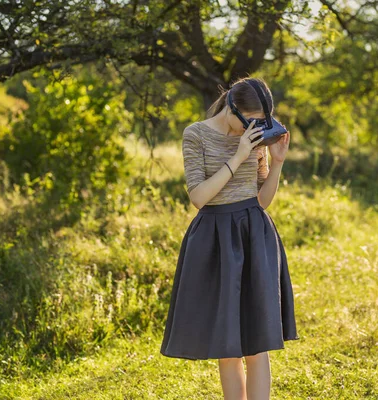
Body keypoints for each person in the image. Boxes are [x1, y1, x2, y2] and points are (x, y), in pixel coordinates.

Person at [160, 76, 299, 400]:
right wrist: (237, 157)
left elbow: (261, 200)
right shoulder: (196, 134)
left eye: (262, 123)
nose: (255, 129)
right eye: (251, 122)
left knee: (257, 343)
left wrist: (276, 162)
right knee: (229, 344)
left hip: (254, 236)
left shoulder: (256, 140)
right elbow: (199, 196)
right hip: (216, 240)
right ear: (232, 109)